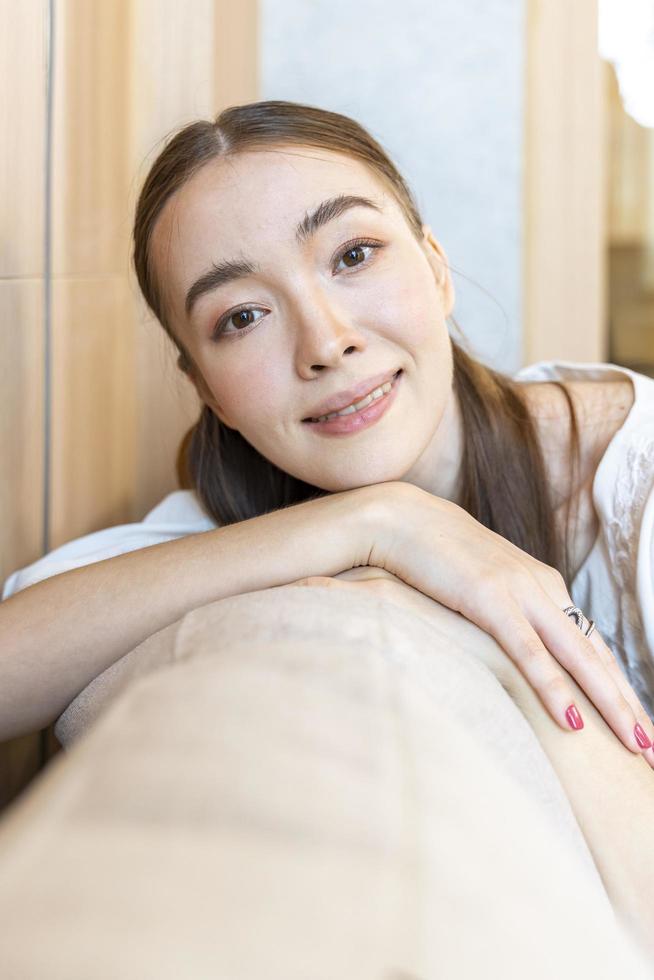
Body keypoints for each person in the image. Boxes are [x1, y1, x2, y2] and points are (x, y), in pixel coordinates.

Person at [2, 99, 654, 763]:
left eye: (352, 255)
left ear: (435, 268)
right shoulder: (257, 513)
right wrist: (380, 521)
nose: (325, 342)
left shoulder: (637, 475)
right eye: (244, 316)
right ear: (207, 390)